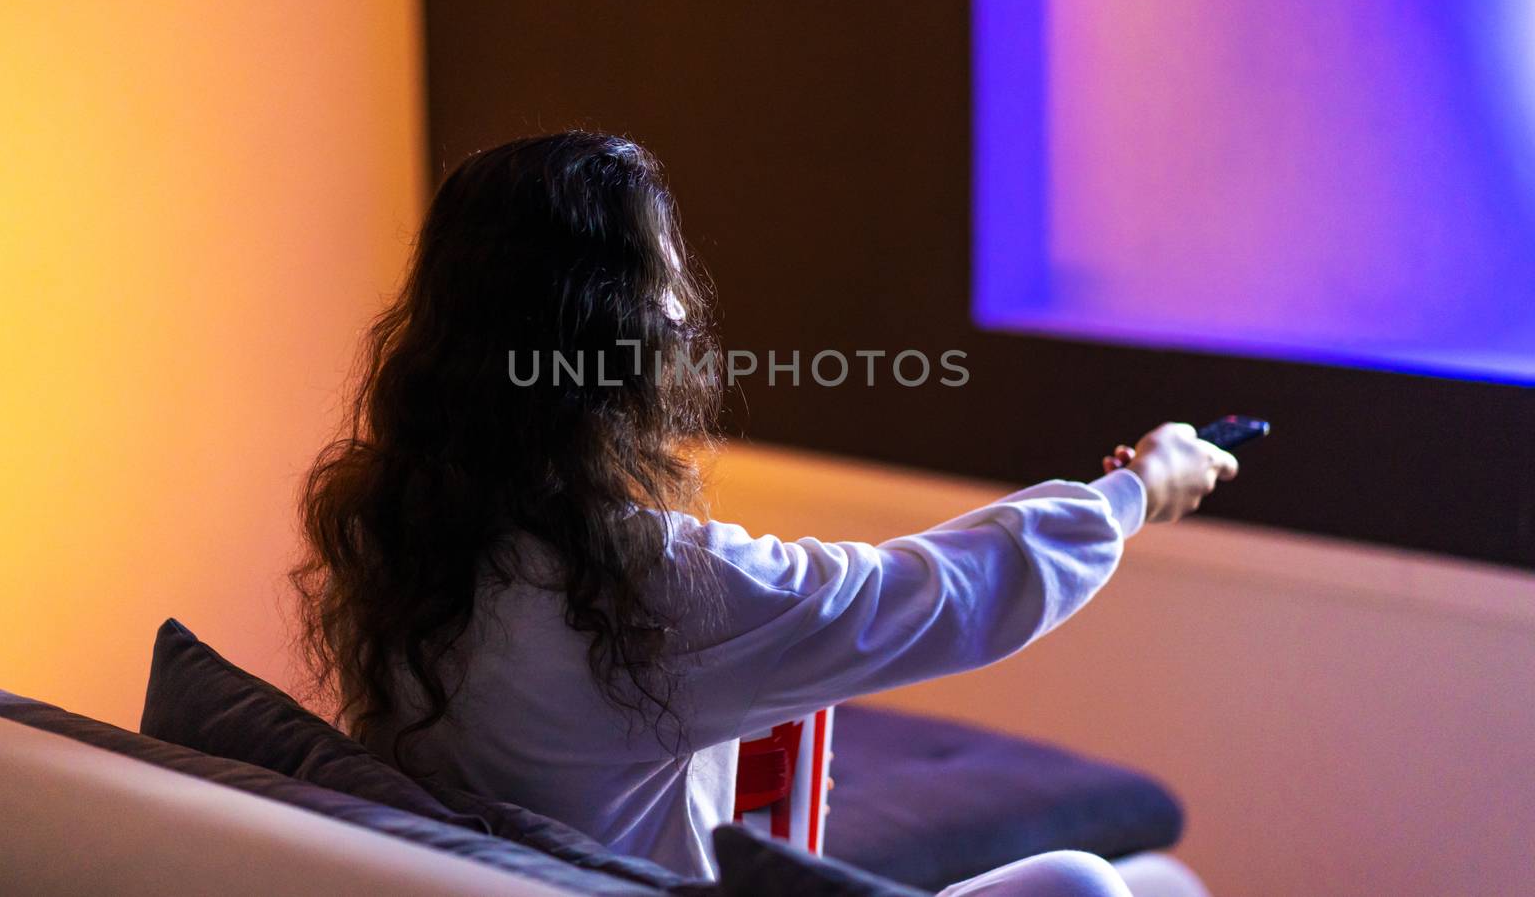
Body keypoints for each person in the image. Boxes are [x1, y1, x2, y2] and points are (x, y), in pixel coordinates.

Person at [292, 132, 1237, 897]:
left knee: (1157, 882)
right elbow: (942, 597)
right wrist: (1138, 491)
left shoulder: (390, 532)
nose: (683, 308)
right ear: (613, 333)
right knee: (1089, 884)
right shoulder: (646, 584)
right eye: (662, 281)